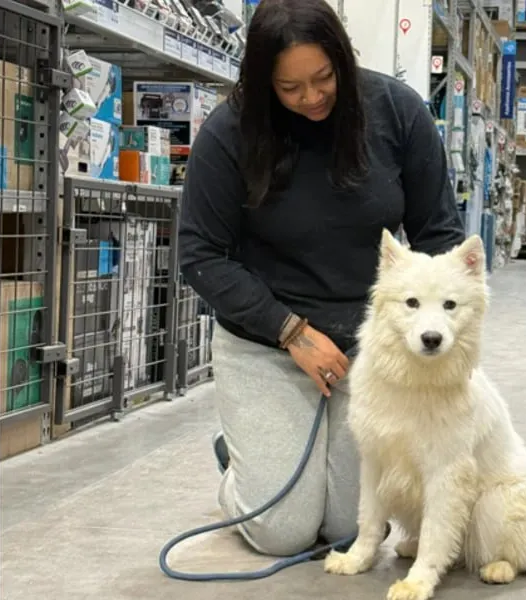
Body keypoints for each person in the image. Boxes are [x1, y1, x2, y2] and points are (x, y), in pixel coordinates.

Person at [178, 0, 466, 557]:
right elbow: (200, 254)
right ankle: (243, 470)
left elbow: (440, 236)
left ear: (343, 61)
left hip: (372, 351)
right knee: (281, 532)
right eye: (289, 88)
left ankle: (284, 464)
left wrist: (436, 332)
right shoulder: (228, 132)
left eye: (323, 78)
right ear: (263, 82)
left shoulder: (399, 113)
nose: (310, 98)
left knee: (348, 531)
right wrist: (291, 332)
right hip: (268, 342)